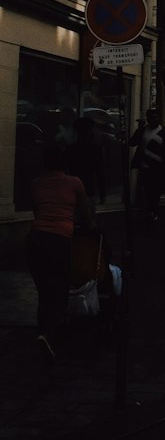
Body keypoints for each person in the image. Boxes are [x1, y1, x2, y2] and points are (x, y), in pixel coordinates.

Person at [26, 142, 93, 360]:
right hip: (59, 239)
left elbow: (37, 212)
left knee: (44, 291)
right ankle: (47, 334)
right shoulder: (74, 183)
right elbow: (85, 215)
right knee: (60, 289)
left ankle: (42, 333)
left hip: (35, 239)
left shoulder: (36, 183)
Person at [130, 108, 165, 221]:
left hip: (158, 167)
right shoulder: (143, 131)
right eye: (151, 118)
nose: (154, 120)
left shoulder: (163, 132)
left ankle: (154, 210)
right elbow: (133, 142)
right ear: (148, 119)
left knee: (155, 190)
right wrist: (139, 129)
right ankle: (150, 209)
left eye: (156, 117)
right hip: (145, 166)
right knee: (147, 190)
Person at [66, 115, 106, 218]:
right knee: (88, 219)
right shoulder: (95, 149)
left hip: (73, 189)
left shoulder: (71, 149)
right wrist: (102, 194)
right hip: (88, 188)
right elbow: (100, 172)